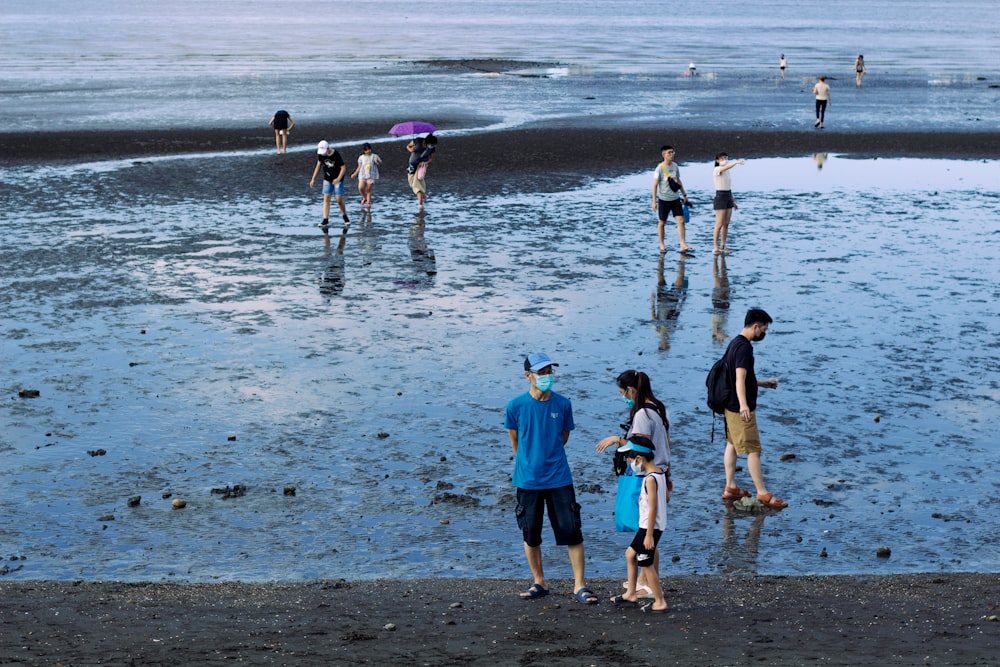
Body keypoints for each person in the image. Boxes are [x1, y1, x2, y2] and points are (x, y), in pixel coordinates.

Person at [505, 352, 598, 605]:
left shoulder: (563, 404)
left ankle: (580, 585)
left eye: (549, 372)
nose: (547, 377)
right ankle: (540, 582)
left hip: (559, 478)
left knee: (572, 532)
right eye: (541, 372)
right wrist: (526, 461)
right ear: (528, 376)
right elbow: (515, 439)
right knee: (531, 533)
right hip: (528, 481)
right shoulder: (515, 406)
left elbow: (563, 437)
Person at [595, 370, 672, 599]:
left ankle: (645, 583)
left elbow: (641, 447)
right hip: (661, 472)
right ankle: (645, 580)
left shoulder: (641, 415)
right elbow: (666, 444)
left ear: (631, 390)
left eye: (623, 393)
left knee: (645, 531)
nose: (623, 397)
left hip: (643, 478)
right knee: (651, 532)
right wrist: (669, 477)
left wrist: (617, 440)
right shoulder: (658, 408)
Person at [721, 309, 788, 509]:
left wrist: (761, 383)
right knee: (753, 450)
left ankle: (730, 487)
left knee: (732, 444)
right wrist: (744, 405)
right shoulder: (744, 349)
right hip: (739, 407)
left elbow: (738, 378)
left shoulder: (734, 343)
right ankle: (762, 493)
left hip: (729, 405)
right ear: (756, 326)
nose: (763, 334)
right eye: (763, 329)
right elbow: (739, 379)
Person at [609, 435, 669, 613]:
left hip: (650, 528)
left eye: (630, 460)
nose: (630, 464)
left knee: (646, 564)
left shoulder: (650, 479)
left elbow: (653, 509)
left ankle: (660, 601)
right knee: (630, 554)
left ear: (639, 459)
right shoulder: (659, 474)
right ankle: (631, 593)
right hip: (647, 526)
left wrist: (649, 534)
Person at [652, 145, 692, 255]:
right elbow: (655, 185)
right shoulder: (659, 168)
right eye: (669, 153)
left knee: (681, 221)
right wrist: (654, 202)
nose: (672, 154)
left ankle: (683, 244)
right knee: (662, 223)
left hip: (675, 199)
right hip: (664, 200)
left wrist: (684, 195)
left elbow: (678, 181)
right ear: (663, 154)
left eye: (672, 152)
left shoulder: (675, 166)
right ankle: (662, 244)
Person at [711, 152, 746, 256]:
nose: (725, 160)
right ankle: (715, 247)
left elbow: (728, 187)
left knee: (726, 223)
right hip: (720, 197)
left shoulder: (727, 172)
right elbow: (725, 168)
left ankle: (723, 245)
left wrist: (733, 201)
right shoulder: (717, 170)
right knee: (719, 223)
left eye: (726, 158)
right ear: (717, 160)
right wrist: (736, 162)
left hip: (728, 196)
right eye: (722, 159)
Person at [309, 140, 350, 228]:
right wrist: (313, 179)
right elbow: (318, 165)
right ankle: (325, 219)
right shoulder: (321, 154)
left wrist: (338, 179)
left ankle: (345, 216)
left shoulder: (336, 154)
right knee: (326, 198)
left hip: (338, 178)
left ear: (328, 148)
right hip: (327, 178)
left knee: (338, 199)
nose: (323, 154)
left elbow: (343, 168)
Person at [350, 143, 382, 210]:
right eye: (366, 150)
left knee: (368, 190)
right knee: (360, 188)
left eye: (369, 149)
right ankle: (365, 198)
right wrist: (355, 174)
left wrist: (378, 162)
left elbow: (380, 163)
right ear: (364, 151)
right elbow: (359, 167)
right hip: (362, 174)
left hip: (371, 175)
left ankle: (368, 202)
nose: (368, 151)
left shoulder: (374, 156)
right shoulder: (361, 157)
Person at [406, 137, 430, 212]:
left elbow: (430, 158)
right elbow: (408, 146)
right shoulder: (417, 140)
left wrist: (424, 162)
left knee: (417, 185)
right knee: (411, 181)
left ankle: (420, 204)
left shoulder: (429, 147)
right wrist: (411, 149)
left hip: (420, 166)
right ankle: (424, 195)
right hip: (412, 164)